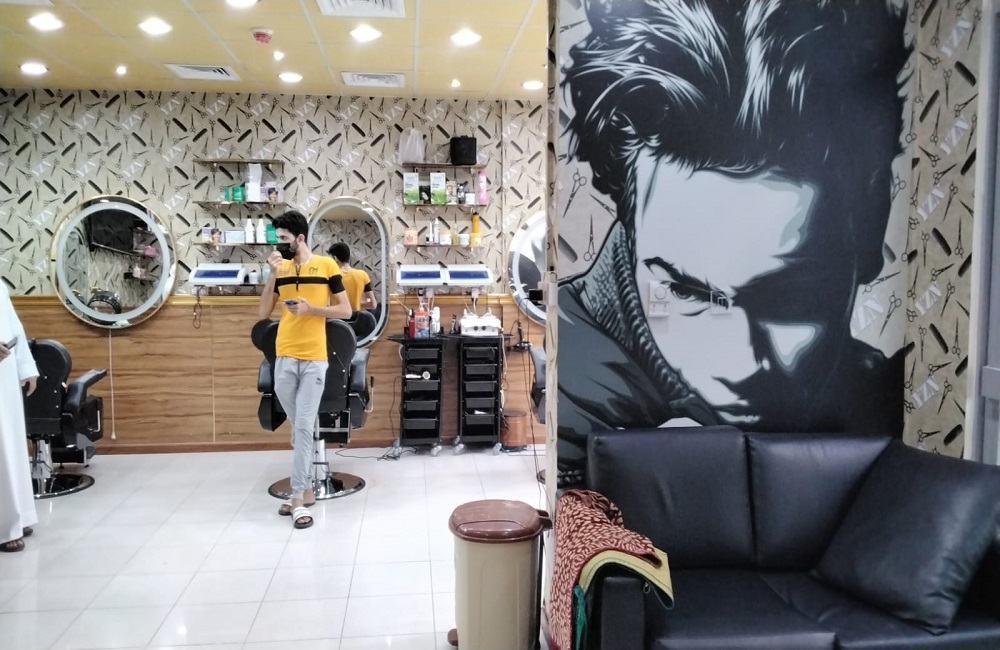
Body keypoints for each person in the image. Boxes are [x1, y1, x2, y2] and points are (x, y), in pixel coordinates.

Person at [557, 0, 908, 484]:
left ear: (871, 229)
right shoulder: (576, 400)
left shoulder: (875, 396)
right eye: (685, 292)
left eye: (789, 298)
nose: (738, 364)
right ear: (631, 224)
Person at [258, 211, 353, 529]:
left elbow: (346, 310)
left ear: (300, 238)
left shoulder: (326, 266)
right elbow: (263, 312)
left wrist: (312, 309)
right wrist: (272, 275)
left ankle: (298, 498)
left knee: (302, 427)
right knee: (300, 425)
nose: (279, 245)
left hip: (314, 358)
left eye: (284, 239)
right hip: (284, 355)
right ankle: (307, 489)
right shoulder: (281, 268)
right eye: (277, 239)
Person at [0, 281, 39, 552]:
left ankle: (19, 514)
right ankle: (5, 526)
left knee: (12, 445)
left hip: (5, 369)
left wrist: (26, 366)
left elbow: (13, 324)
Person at [328, 242, 378, 311]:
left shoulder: (331, 275)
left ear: (335, 258)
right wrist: (355, 303)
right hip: (355, 316)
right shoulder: (362, 275)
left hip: (336, 316)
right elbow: (372, 304)